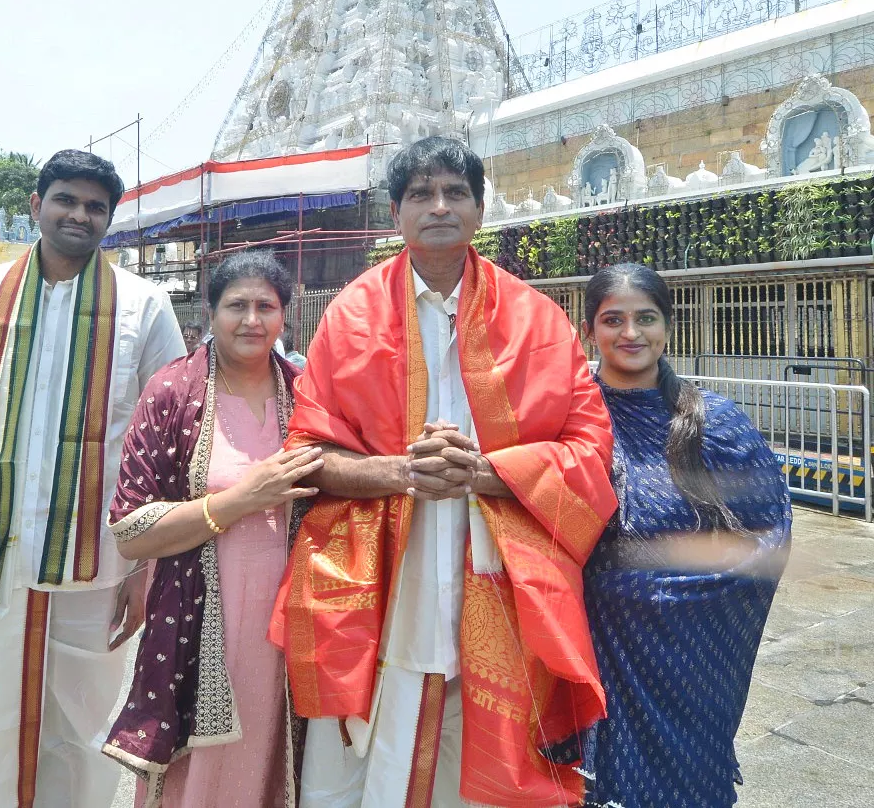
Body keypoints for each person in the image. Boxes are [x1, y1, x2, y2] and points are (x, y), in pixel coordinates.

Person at [269, 136, 618, 808]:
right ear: (396, 213)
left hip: (503, 587)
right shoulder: (351, 316)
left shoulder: (538, 321)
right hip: (384, 588)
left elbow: (590, 447)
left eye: (455, 192)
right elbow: (308, 454)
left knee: (486, 772)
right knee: (366, 765)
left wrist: (488, 473)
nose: (439, 206)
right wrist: (404, 473)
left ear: (480, 210)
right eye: (421, 194)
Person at [0, 150, 185, 808]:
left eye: (96, 207)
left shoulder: (145, 306)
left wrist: (147, 566)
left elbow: (169, 435)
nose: (79, 215)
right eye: (66, 199)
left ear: (110, 222)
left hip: (93, 557)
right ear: (35, 206)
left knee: (78, 723)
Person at [104, 252, 321, 807]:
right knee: (199, 775)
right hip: (198, 619)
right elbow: (130, 529)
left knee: (275, 758)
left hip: (287, 620)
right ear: (210, 310)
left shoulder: (307, 394)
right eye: (237, 306)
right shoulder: (172, 393)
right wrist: (240, 501)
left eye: (265, 307)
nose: (252, 320)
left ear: (285, 316)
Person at [577, 264, 791, 808]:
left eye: (646, 318)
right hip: (598, 650)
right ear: (589, 331)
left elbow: (768, 536)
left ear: (668, 327)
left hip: (690, 659)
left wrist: (654, 592)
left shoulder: (714, 421)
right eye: (613, 320)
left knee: (688, 785)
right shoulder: (571, 420)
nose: (631, 334)